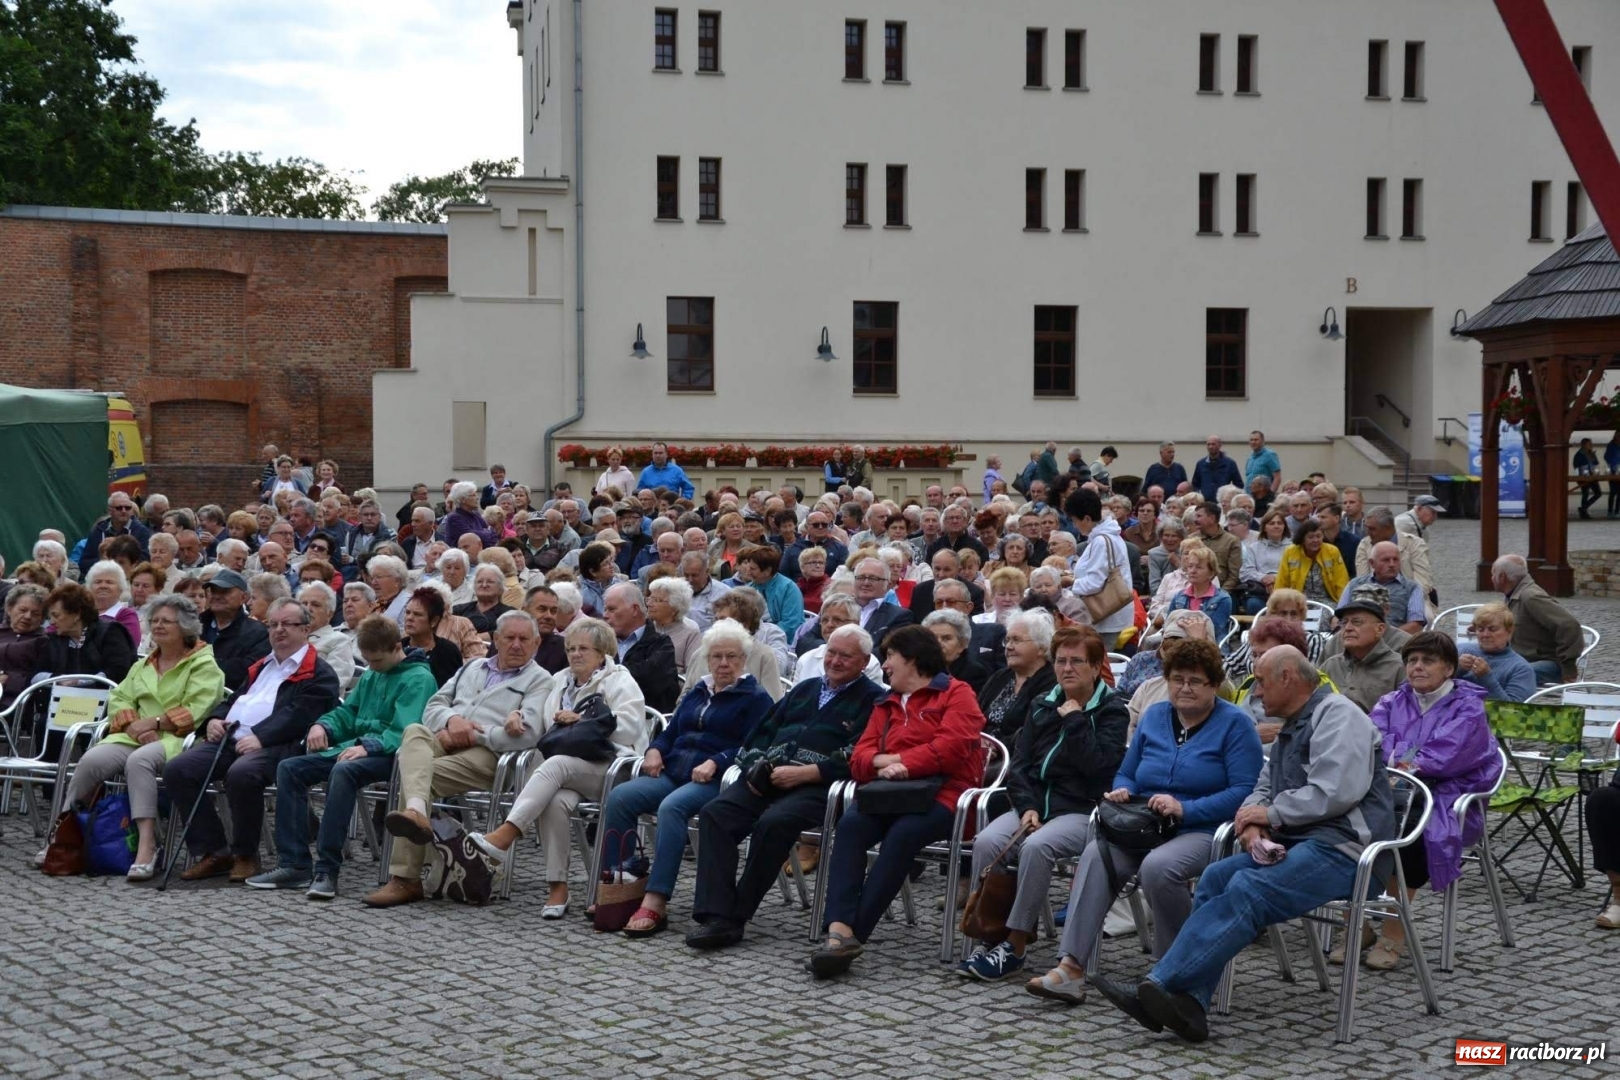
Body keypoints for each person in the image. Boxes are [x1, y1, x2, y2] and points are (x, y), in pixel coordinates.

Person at [1091, 645, 1395, 1042]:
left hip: (1347, 850)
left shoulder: (1338, 716)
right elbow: (1263, 787)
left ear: (1288, 677)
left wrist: (1269, 817)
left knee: (1251, 888)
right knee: (1217, 877)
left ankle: (1161, 981)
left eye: (1262, 684)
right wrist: (1250, 821)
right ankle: (1191, 1007)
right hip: (1300, 843)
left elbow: (1335, 791)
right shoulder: (1294, 723)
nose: (1256, 695)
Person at [1029, 639, 1263, 1002]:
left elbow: (1244, 791)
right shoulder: (1154, 716)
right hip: (1144, 824)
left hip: (1202, 828)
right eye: (1177, 679)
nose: (1184, 688)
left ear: (1214, 685)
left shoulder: (1236, 725)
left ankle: (1174, 972)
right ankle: (1071, 967)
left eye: (1195, 681)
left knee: (1159, 868)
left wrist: (1186, 808)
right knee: (1096, 855)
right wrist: (1123, 790)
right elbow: (1127, 772)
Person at [688, 623, 886, 948]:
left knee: (774, 823)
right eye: (831, 653)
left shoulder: (874, 700)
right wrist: (756, 767)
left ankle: (734, 916)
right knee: (715, 814)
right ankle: (715, 912)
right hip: (770, 779)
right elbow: (761, 732)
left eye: (845, 656)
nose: (835, 661)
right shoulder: (805, 688)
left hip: (820, 787)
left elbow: (860, 754)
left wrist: (807, 773)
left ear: (864, 662)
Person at [810, 626, 986, 978]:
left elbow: (951, 749)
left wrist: (902, 763)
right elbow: (860, 756)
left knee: (903, 835)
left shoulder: (956, 694)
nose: (885, 664)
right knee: (851, 826)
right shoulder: (887, 701)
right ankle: (840, 932)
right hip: (889, 793)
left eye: (891, 656)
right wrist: (882, 763)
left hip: (947, 797)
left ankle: (850, 934)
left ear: (914, 660)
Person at [957, 625, 1129, 980]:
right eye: (1061, 661)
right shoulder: (1042, 703)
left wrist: (1076, 720)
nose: (1067, 669)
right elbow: (1019, 766)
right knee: (988, 840)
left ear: (1097, 667)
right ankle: (990, 935)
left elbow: (1099, 770)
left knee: (1037, 847)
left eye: (1077, 661)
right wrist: (1028, 806)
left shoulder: (1111, 710)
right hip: (1035, 806)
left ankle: (1016, 944)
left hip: (1082, 810)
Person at [600, 619, 775, 937]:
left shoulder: (755, 698)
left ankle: (656, 899)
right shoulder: (699, 690)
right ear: (707, 659)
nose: (724, 663)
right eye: (717, 656)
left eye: (732, 657)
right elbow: (673, 731)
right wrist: (654, 749)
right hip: (674, 771)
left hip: (715, 781)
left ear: (743, 660)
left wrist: (717, 761)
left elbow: (756, 747)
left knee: (672, 807)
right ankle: (622, 886)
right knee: (620, 797)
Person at [465, 617, 649, 917]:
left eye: (584, 649)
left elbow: (629, 728)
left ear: (602, 652)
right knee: (553, 801)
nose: (575, 654)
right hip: (569, 771)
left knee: (556, 765)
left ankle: (504, 837)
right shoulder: (560, 680)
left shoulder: (620, 680)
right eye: (571, 648)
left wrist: (583, 721)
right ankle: (558, 887)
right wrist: (517, 714)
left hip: (614, 768)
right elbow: (540, 726)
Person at [163, 597, 342, 883]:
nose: (278, 630)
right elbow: (237, 699)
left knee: (242, 774)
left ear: (306, 629)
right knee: (178, 769)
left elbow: (301, 715)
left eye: (287, 624)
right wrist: (215, 719)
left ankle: (246, 854)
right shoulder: (263, 665)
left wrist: (261, 736)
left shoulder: (318, 671)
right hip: (233, 738)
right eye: (273, 624)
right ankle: (214, 851)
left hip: (281, 745)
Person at [1351, 632, 1499, 969]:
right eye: (1412, 660)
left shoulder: (1469, 707)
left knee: (1413, 824)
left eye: (1427, 661)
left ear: (1448, 669)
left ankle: (1393, 929)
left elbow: (1447, 755)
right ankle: (1357, 924)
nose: (1417, 667)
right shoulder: (1391, 701)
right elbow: (1372, 742)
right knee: (1348, 820)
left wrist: (1399, 760)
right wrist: (1401, 761)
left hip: (1449, 798)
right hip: (1391, 789)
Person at [52, 595, 225, 879]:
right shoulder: (142, 664)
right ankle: (63, 835)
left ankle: (147, 846)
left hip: (180, 739)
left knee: (139, 762)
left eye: (166, 621)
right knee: (91, 759)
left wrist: (154, 723)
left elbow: (198, 708)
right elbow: (119, 697)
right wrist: (133, 725)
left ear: (184, 627)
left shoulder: (204, 664)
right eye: (154, 620)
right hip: (134, 735)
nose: (157, 626)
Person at [1492, 553, 1584, 684]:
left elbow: (1569, 625)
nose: (1491, 578)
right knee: (1472, 664)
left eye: (1493, 574)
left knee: (1498, 676)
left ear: (1502, 577)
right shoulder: (1513, 594)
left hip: (1547, 665)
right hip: (1520, 660)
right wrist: (1481, 626)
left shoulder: (1531, 596)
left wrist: (1568, 669)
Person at [1065, 487, 1134, 650]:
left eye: (1075, 520)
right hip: (1110, 617)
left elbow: (1095, 583)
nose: (1074, 525)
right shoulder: (1108, 537)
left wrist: (1070, 583)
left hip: (1107, 618)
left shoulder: (1101, 541)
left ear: (1087, 518)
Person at [1322, 586, 1407, 711]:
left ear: (1380, 629)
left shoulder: (1399, 667)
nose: (1348, 628)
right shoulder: (1331, 665)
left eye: (1357, 622)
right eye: (1344, 622)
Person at [603, 582, 680, 713]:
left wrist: (607, 675)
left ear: (634, 609)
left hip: (647, 723)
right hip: (603, 720)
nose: (605, 615)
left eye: (612, 609)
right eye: (605, 609)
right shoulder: (602, 643)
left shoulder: (661, 644)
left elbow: (648, 682)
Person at [198, 569, 271, 693]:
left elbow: (246, 671)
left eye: (225, 591)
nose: (216, 596)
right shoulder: (193, 626)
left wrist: (200, 665)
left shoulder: (259, 633)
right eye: (213, 591)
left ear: (243, 597)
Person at [1455, 602, 1538, 702]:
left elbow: (1513, 712)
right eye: (1480, 629)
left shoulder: (1520, 669)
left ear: (1509, 631)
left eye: (1492, 629)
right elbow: (1434, 688)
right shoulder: (1461, 650)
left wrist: (1486, 677)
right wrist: (1455, 669)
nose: (1485, 634)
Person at [1341, 540, 1425, 635]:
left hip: (1394, 641)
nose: (1392, 564)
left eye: (1396, 559)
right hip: (1355, 636)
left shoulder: (1412, 587)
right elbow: (1338, 617)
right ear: (1372, 563)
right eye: (1386, 560)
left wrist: (1384, 636)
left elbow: (1416, 624)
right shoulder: (1355, 584)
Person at [1276, 517, 1351, 608]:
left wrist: (1343, 607)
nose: (1315, 540)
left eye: (1319, 536)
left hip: (1326, 600)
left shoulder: (1332, 551)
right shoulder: (1290, 552)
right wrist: (1278, 604)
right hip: (1297, 600)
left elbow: (1341, 582)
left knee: (1324, 617)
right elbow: (1282, 581)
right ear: (1302, 538)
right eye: (1311, 537)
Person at [400, 585, 466, 687]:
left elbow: (452, 689)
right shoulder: (397, 648)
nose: (409, 618)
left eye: (417, 614)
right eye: (407, 612)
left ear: (434, 621)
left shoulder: (448, 652)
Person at [1166, 544, 1233, 641]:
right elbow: (1168, 625)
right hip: (1176, 645)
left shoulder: (1223, 599)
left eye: (1199, 567)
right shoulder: (1179, 596)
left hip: (1208, 648)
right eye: (1190, 566)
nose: (1192, 571)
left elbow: (1212, 631)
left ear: (1211, 573)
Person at [77, 492, 152, 578]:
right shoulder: (98, 530)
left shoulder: (141, 531)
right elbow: (83, 563)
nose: (124, 511)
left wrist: (118, 561)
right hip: (101, 578)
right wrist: (102, 561)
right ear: (110, 510)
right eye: (119, 508)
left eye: (127, 508)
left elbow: (145, 561)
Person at [924, 608, 989, 693]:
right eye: (933, 638)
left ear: (962, 644)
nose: (938, 644)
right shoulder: (919, 669)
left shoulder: (974, 673)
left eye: (946, 638)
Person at [1239, 509, 1291, 615]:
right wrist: (1263, 578)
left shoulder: (1293, 548)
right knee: (1253, 604)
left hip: (1287, 591)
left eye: (1279, 523)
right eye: (1272, 523)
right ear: (1265, 527)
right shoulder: (1254, 548)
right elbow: (1245, 572)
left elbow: (1296, 571)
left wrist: (1276, 578)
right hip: (1260, 592)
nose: (1276, 526)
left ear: (1284, 526)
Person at [647, 576, 701, 675]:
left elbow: (692, 672)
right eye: (650, 598)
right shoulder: (644, 627)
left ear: (675, 607)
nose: (649, 604)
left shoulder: (690, 631)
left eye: (656, 600)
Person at [84, 561, 142, 645]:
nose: (103, 586)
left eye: (109, 582)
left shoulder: (126, 615)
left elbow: (124, 647)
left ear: (121, 588)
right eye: (98, 582)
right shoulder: (81, 612)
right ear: (89, 587)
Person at [454, 564, 513, 639]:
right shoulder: (459, 610)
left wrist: (470, 638)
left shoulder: (509, 614)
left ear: (500, 588)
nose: (484, 585)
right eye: (479, 582)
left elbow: (505, 633)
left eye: (490, 582)